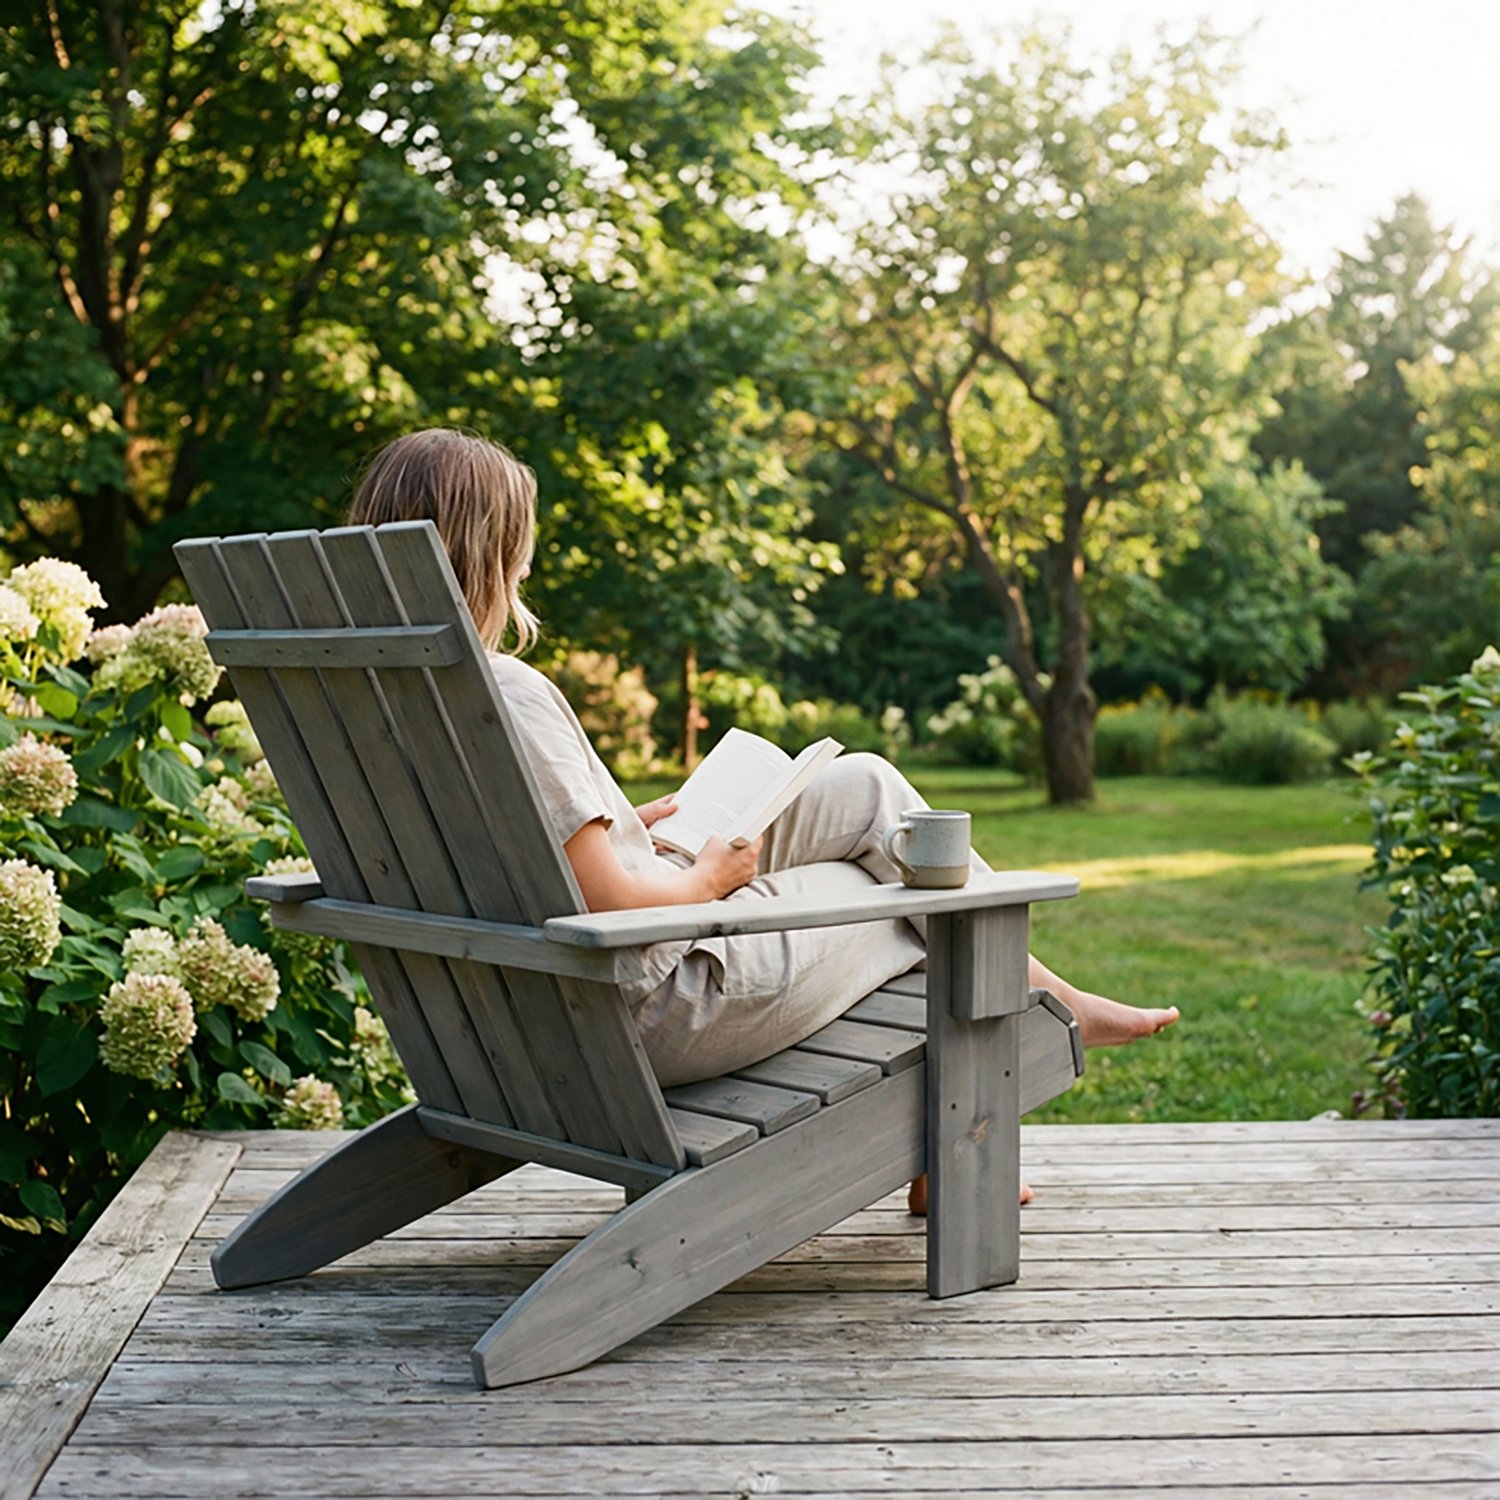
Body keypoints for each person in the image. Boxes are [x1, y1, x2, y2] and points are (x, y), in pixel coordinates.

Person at [348, 429, 1177, 1209]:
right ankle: (990, 1103)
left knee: (866, 788)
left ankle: (1029, 1021)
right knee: (909, 894)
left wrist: (615, 828)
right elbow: (606, 904)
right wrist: (708, 880)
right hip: (650, 999)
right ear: (490, 553)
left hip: (521, 1001)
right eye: (522, 545)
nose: (529, 564)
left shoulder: (364, 699)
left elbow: (490, 857)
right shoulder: (506, 693)